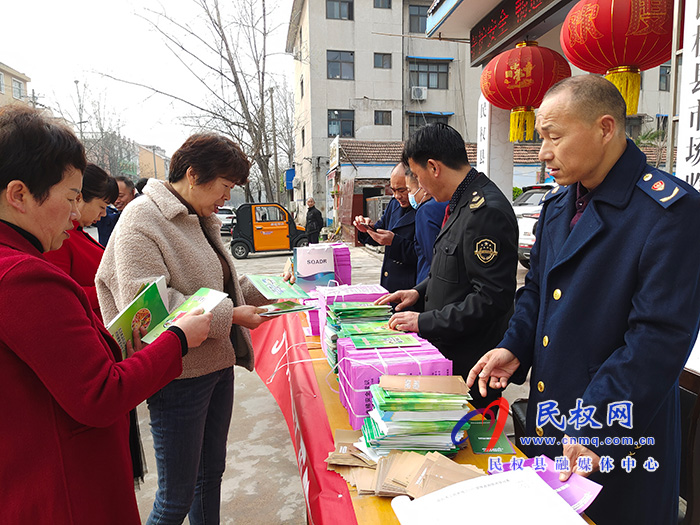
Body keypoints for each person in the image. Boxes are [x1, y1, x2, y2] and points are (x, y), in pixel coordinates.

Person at [467, 75, 700, 525]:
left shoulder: (670, 211)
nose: (543, 152)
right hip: (552, 420)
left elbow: (657, 337)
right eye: (541, 138)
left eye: (555, 136)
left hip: (616, 433)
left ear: (605, 128)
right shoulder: (557, 208)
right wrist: (514, 346)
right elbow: (536, 289)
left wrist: (596, 425)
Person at [0, 106, 211, 524]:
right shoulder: (24, 278)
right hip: (66, 490)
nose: (77, 215)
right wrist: (179, 338)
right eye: (70, 198)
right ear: (19, 195)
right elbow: (98, 395)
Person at [96, 133, 270, 525]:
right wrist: (233, 316)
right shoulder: (142, 220)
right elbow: (149, 306)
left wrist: (273, 290)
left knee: (210, 476)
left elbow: (221, 288)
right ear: (194, 175)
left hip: (216, 365)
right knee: (175, 497)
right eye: (225, 186)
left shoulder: (200, 217)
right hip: (177, 374)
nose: (227, 198)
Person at [377, 123, 518, 408]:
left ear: (434, 167)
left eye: (416, 177)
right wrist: (417, 292)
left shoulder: (485, 211)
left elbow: (491, 299)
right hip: (449, 353)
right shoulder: (460, 201)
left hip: (470, 365)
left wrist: (422, 321)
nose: (419, 187)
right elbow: (452, 268)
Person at [45, 163, 118, 318]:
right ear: (79, 198)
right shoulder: (60, 239)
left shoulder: (77, 233)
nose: (104, 214)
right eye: (101, 206)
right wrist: (111, 290)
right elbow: (60, 295)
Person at [353, 162, 417, 293]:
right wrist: (367, 230)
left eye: (402, 190)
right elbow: (379, 231)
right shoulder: (394, 205)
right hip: (389, 283)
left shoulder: (424, 209)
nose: (398, 196)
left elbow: (425, 254)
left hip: (411, 286)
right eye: (393, 191)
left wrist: (394, 242)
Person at [405, 170, 447, 283]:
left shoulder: (426, 211)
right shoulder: (446, 203)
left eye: (409, 190)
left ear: (422, 187)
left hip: (430, 280)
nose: (409, 195)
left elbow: (431, 256)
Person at [95, 175, 137, 246]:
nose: (117, 201)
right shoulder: (106, 215)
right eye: (113, 197)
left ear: (133, 193)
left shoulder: (140, 215)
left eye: (121, 196)